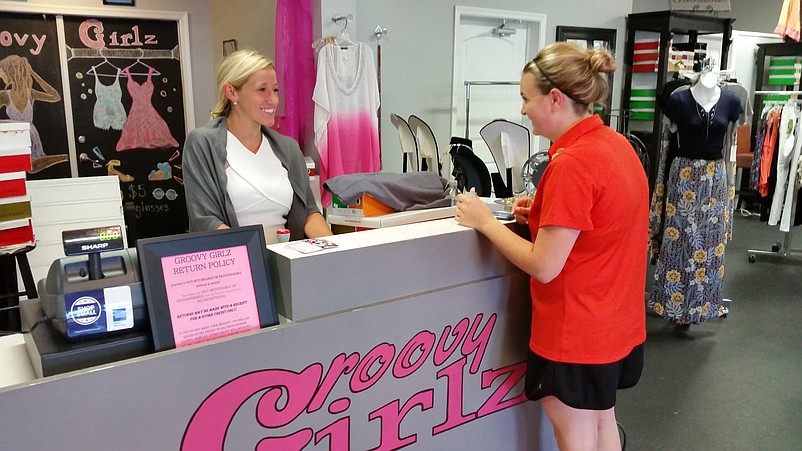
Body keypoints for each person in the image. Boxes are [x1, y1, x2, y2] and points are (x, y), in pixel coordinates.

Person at [454, 42, 648, 450]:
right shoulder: (618, 148)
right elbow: (602, 226)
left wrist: (485, 222)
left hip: (575, 331)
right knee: (601, 424)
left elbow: (544, 264)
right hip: (614, 323)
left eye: (527, 98)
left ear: (555, 98)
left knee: (575, 433)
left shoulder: (572, 164)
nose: (523, 109)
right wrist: (542, 214)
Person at [183, 49, 332, 242]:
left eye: (275, 90)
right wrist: (253, 258)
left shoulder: (288, 148)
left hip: (285, 260)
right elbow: (205, 220)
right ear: (231, 92)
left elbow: (309, 214)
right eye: (262, 90)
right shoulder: (202, 144)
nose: (273, 99)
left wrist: (337, 251)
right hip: (233, 262)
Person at [647, 68, 744, 327]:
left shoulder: (732, 101)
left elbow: (730, 138)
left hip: (715, 178)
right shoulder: (679, 100)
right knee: (678, 240)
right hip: (684, 175)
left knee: (710, 245)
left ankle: (706, 305)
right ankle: (672, 304)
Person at [0, 54, 66, 173]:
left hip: (30, 135)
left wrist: (34, 74)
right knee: (24, 168)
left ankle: (63, 158)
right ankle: (63, 158)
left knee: (29, 167)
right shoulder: (5, 95)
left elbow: (55, 96)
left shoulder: (30, 93)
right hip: (15, 136)